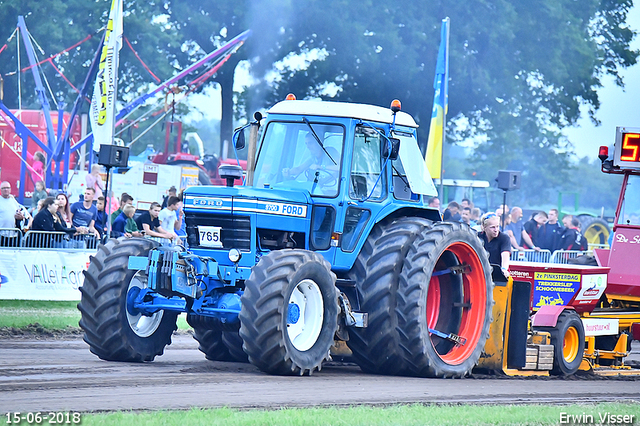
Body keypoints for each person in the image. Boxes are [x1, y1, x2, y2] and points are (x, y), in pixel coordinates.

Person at [478, 213, 511, 277]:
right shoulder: (478, 237)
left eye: (497, 226)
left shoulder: (504, 238)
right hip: (482, 273)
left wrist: (504, 269)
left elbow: (505, 254)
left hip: (499, 274)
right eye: (492, 227)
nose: (496, 230)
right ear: (484, 227)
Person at [0, 181, 26, 246]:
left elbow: (20, 212)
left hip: (13, 233)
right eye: (4, 188)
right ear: (1, 190)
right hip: (1, 233)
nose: (6, 190)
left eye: (8, 188)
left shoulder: (13, 200)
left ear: (10, 189)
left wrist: (20, 217)